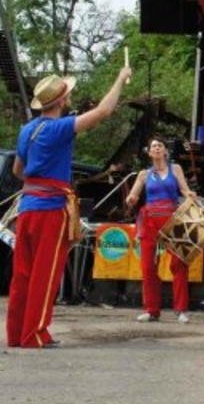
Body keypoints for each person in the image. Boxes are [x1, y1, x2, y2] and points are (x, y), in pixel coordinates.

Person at [7, 66, 132, 349]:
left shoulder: (26, 131)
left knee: (23, 273)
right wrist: (120, 78)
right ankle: (34, 335)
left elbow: (18, 170)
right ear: (62, 101)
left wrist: (39, 178)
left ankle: (17, 334)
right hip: (50, 209)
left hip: (27, 207)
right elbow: (102, 112)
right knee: (45, 273)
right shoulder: (59, 128)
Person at [125, 137, 197, 323]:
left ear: (165, 151)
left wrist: (190, 194)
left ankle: (181, 310)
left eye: (160, 146)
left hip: (172, 218)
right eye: (153, 146)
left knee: (179, 263)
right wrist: (131, 199)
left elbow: (184, 190)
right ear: (149, 152)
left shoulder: (176, 169)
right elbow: (134, 194)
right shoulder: (143, 174)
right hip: (149, 219)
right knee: (148, 265)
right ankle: (151, 309)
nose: (156, 148)